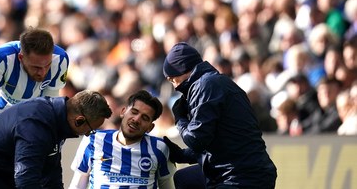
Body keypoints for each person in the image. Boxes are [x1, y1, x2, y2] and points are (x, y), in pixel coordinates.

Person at [162, 42, 277, 188]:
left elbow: (196, 139)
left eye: (172, 79)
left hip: (242, 177)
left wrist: (180, 119)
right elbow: (220, 144)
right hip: (246, 171)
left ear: (181, 69)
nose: (174, 85)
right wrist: (182, 155)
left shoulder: (205, 86)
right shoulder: (215, 82)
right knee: (184, 179)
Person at [0, 90, 112, 188]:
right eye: (90, 130)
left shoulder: (55, 121)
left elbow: (51, 175)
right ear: (79, 120)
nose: (86, 135)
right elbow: (26, 178)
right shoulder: (37, 123)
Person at [0, 27, 69, 141]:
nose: (42, 72)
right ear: (21, 57)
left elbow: (49, 100)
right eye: (36, 67)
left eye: (47, 65)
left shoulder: (61, 60)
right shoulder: (1, 58)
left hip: (26, 104)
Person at [68, 90, 176, 189]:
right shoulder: (93, 140)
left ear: (150, 128)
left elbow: (168, 187)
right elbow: (77, 186)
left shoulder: (159, 148)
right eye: (134, 112)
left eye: (145, 118)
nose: (136, 119)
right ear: (123, 112)